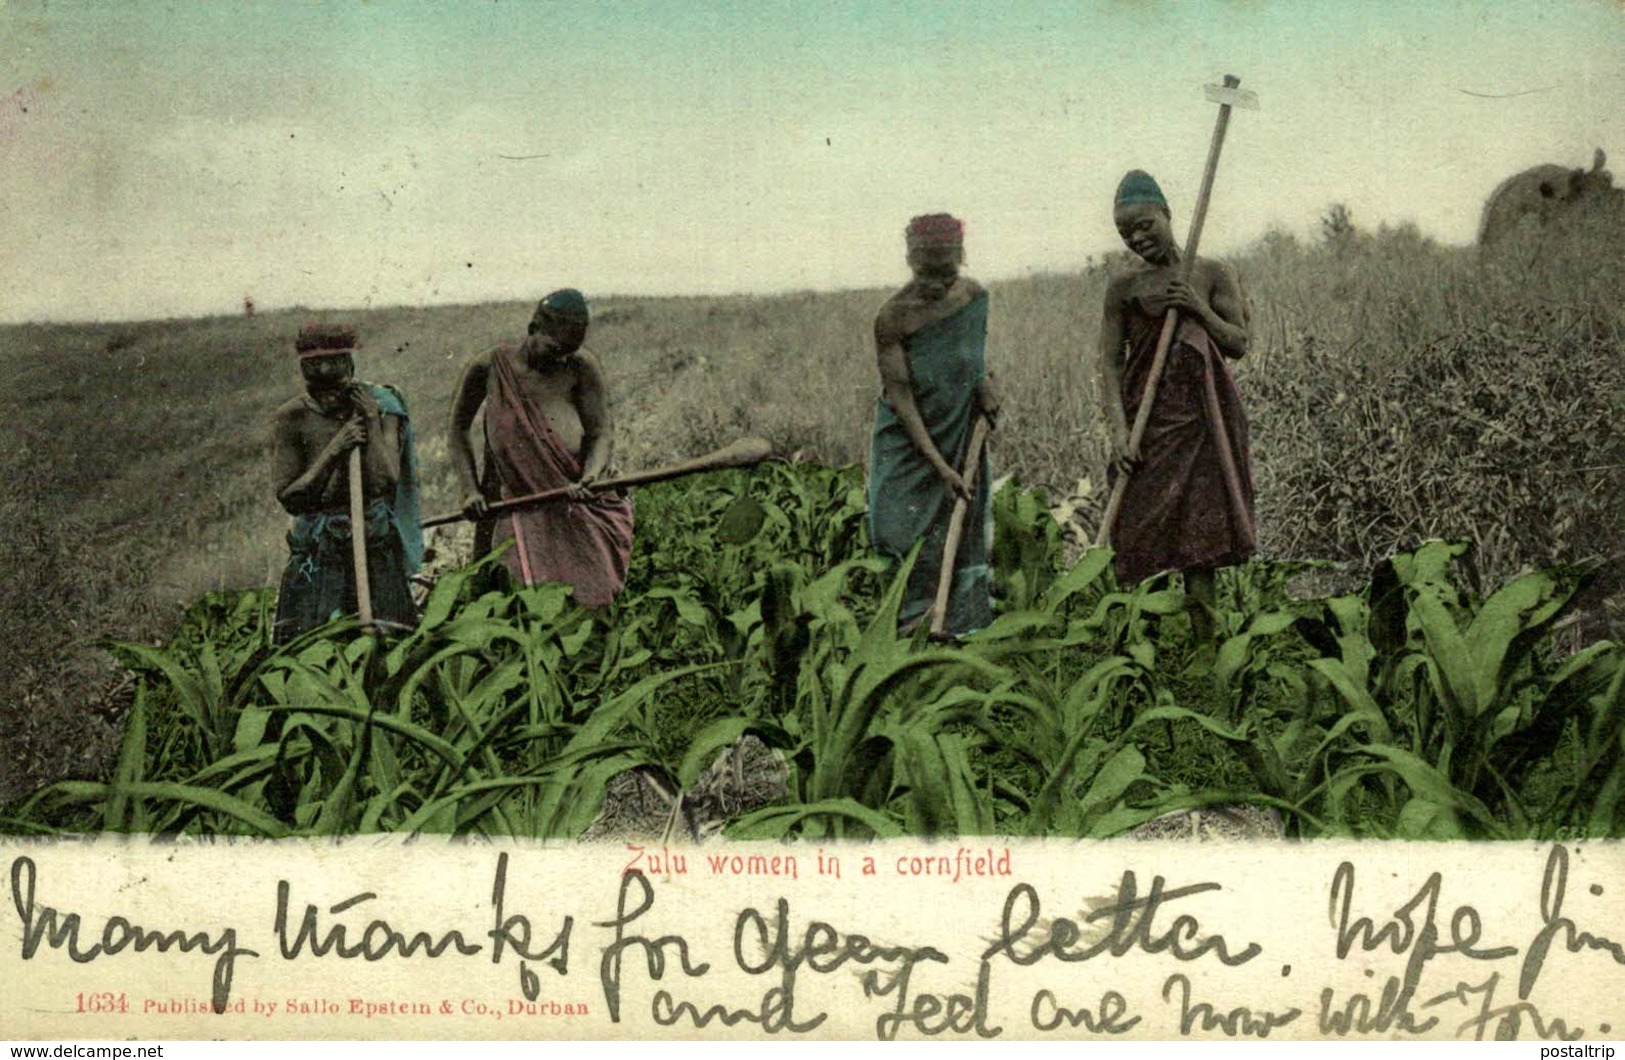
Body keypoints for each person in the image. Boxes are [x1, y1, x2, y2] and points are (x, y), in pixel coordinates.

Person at [1098, 170, 1255, 640]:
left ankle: (1207, 650)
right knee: (1139, 538)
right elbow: (1107, 364)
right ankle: (1144, 651)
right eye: (1126, 232)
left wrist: (1196, 309)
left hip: (1201, 425)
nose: (1138, 238)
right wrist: (1119, 434)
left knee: (1198, 542)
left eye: (1145, 225)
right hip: (1146, 429)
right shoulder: (1123, 289)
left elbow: (1239, 343)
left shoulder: (1210, 274)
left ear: (1167, 213)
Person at [448, 288, 634, 606]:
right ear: (533, 328)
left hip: (575, 501)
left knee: (592, 600)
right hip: (517, 505)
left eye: (569, 351)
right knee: (523, 603)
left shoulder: (580, 367)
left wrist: (590, 475)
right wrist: (470, 490)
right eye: (554, 349)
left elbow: (600, 432)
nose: (561, 358)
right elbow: (457, 429)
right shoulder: (489, 368)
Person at [867, 213, 999, 637]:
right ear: (909, 258)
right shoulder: (892, 317)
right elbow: (901, 397)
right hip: (910, 444)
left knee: (961, 537)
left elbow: (972, 362)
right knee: (902, 536)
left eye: (947, 271)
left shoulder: (974, 297)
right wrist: (939, 466)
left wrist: (985, 387)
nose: (937, 283)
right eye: (926, 269)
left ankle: (961, 635)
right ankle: (909, 639)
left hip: (961, 434)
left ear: (961, 257)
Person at [270, 323, 422, 642]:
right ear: (303, 370)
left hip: (372, 540)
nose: (329, 396)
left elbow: (387, 479)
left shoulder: (379, 406)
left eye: (336, 380)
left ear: (350, 367)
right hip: (317, 550)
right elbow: (291, 497)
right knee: (308, 646)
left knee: (393, 640)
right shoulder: (291, 417)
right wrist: (334, 450)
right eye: (316, 380)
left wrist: (371, 421)